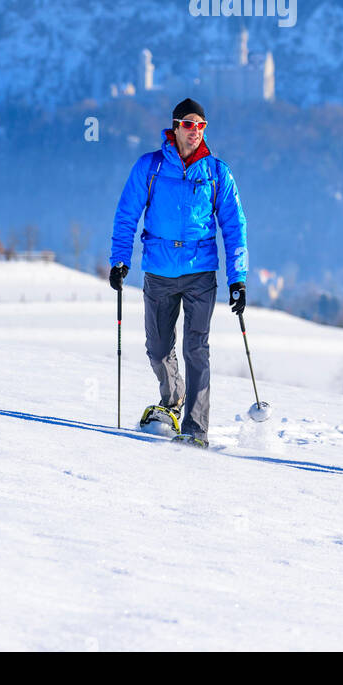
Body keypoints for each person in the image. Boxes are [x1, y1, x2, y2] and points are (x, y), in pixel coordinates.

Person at [108, 98, 247, 447]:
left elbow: (234, 227)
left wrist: (238, 278)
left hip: (201, 273)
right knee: (157, 349)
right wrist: (119, 260)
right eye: (189, 124)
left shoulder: (217, 173)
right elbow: (126, 214)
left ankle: (195, 429)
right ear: (175, 127)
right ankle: (172, 400)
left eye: (201, 125)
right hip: (158, 271)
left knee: (195, 349)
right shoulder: (150, 167)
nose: (195, 132)